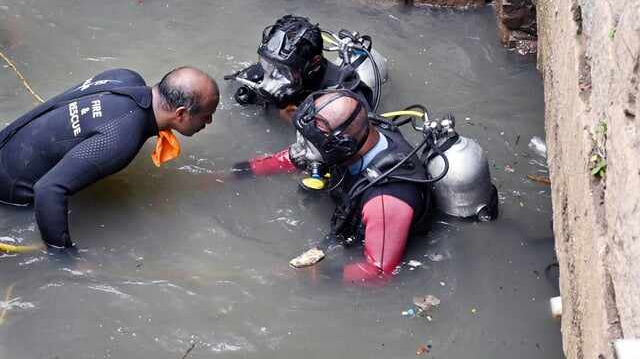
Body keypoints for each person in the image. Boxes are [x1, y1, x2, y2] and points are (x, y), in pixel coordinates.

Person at [0, 67, 219, 248]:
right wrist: (64, 257)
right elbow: (48, 190)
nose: (208, 122)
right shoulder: (121, 138)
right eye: (207, 115)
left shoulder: (124, 77)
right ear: (181, 114)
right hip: (11, 190)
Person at [234, 89, 431, 285]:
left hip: (376, 227)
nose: (304, 147)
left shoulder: (385, 201)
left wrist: (315, 276)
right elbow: (296, 157)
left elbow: (378, 271)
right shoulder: (358, 134)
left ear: (342, 146)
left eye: (314, 142)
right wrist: (238, 172)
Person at [225, 15, 379, 121]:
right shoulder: (270, 68)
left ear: (315, 62)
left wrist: (302, 123)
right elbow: (228, 92)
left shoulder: (344, 94)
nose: (271, 73)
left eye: (283, 70)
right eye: (267, 62)